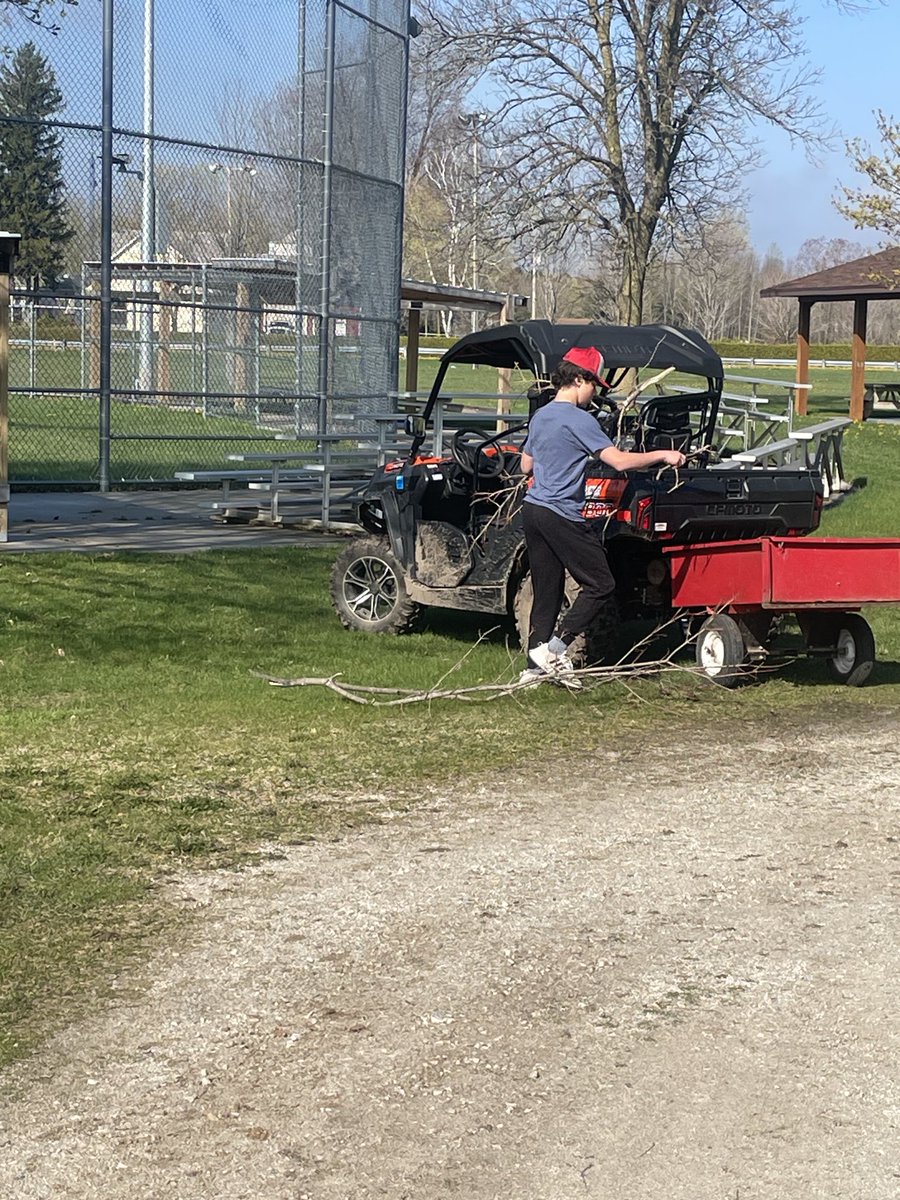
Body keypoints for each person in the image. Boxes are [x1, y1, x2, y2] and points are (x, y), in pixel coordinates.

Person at [519, 345, 686, 688]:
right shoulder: (580, 419)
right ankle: (556, 648)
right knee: (600, 583)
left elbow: (525, 465)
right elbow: (620, 462)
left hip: (533, 510)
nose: (594, 394)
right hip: (561, 512)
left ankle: (533, 671)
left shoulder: (541, 416)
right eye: (594, 385)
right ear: (579, 379)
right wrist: (663, 455)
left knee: (546, 589)